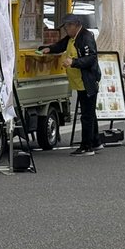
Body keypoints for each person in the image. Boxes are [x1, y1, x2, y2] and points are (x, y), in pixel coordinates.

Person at [37, 14, 101, 155]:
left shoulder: (85, 37)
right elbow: (61, 45)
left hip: (87, 81)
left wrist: (74, 62)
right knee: (89, 113)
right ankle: (95, 141)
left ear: (74, 25)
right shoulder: (72, 37)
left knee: (87, 115)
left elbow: (91, 57)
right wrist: (49, 49)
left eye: (67, 27)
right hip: (80, 82)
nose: (65, 30)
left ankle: (86, 147)